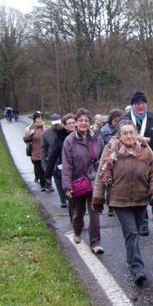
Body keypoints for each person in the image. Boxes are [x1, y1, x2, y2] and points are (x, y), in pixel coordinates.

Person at [92, 119, 153, 285]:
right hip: (119, 200)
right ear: (119, 135)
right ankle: (137, 269)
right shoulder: (110, 150)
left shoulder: (145, 149)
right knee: (131, 232)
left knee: (135, 232)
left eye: (132, 132)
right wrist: (98, 197)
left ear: (136, 134)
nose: (129, 136)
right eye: (125, 133)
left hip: (141, 199)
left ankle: (131, 259)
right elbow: (102, 174)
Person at [121, 91, 153, 237]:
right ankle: (143, 224)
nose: (141, 106)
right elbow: (116, 140)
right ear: (132, 106)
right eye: (137, 103)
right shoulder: (125, 121)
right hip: (133, 163)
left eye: (143, 103)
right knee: (140, 193)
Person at [62, 108, 105, 254]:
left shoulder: (97, 139)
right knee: (79, 211)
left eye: (86, 121)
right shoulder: (69, 141)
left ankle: (95, 242)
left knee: (95, 211)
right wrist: (67, 186)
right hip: (78, 182)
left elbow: (104, 158)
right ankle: (78, 231)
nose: (83, 123)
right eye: (80, 121)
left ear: (90, 122)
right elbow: (66, 165)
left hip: (94, 181)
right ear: (76, 123)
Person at [44, 113, 75, 208]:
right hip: (66, 169)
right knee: (72, 199)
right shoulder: (60, 138)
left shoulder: (83, 135)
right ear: (65, 126)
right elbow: (53, 156)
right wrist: (48, 175)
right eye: (69, 123)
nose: (72, 125)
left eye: (73, 122)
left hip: (81, 170)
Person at [23, 111, 48, 191]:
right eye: (38, 118)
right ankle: (42, 184)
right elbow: (25, 140)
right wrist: (30, 134)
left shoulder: (46, 127)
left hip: (46, 153)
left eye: (41, 118)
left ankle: (48, 183)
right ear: (34, 119)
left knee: (48, 169)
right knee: (40, 170)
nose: (39, 120)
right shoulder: (30, 128)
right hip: (36, 153)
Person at [41, 114, 63, 193]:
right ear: (51, 123)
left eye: (59, 124)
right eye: (55, 124)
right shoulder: (46, 134)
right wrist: (44, 164)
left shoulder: (65, 131)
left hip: (64, 160)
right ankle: (63, 200)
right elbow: (43, 149)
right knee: (58, 181)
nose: (57, 126)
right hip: (53, 162)